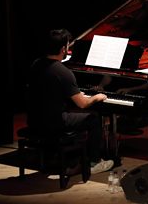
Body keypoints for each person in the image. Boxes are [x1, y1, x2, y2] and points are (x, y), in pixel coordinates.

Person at [25, 29, 114, 174]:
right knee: (93, 119)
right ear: (63, 49)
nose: (68, 48)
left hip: (34, 120)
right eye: (68, 45)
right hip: (54, 122)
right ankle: (94, 162)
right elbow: (83, 104)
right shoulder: (63, 72)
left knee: (70, 113)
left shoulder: (36, 64)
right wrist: (97, 97)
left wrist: (74, 94)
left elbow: (49, 91)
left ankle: (63, 156)